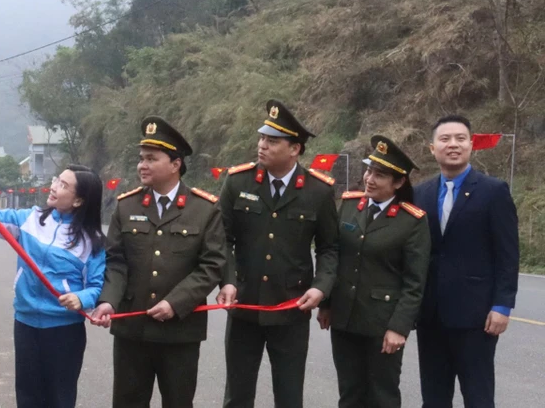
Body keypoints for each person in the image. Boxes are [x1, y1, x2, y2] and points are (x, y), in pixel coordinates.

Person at [91, 117, 226, 408]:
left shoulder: (204, 209)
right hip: (132, 330)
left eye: (152, 159)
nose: (142, 165)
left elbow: (212, 265)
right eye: (141, 159)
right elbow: (116, 261)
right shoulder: (126, 206)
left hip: (180, 331)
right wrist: (108, 302)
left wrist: (175, 303)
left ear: (175, 164)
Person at [217, 100, 339, 408]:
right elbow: (221, 239)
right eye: (262, 138)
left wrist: (320, 288)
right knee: (237, 395)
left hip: (291, 308)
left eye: (272, 141)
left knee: (288, 394)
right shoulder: (238, 181)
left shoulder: (318, 191)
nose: (262, 146)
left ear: (295, 149)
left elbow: (329, 248)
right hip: (244, 303)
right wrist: (227, 281)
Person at [0, 164, 108, 408]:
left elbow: (96, 286)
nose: (54, 187)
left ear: (78, 201)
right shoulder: (31, 218)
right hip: (25, 323)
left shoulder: (92, 242)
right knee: (27, 396)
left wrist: (82, 298)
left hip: (64, 331)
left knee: (59, 397)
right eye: (57, 180)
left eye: (64, 185)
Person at [413, 115, 518, 408]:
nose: (453, 145)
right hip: (431, 314)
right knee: (433, 397)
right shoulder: (420, 193)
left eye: (460, 138)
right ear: (432, 148)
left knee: (478, 395)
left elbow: (508, 254)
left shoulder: (493, 191)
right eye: (445, 139)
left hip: (477, 316)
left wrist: (502, 306)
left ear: (471, 145)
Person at [318, 136, 430, 408]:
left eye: (380, 175)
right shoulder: (348, 205)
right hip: (344, 318)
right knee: (350, 392)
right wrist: (327, 304)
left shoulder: (411, 221)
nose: (369, 178)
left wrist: (398, 327)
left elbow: (415, 282)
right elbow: (335, 256)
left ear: (399, 182)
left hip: (382, 323)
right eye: (368, 170)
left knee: (382, 395)